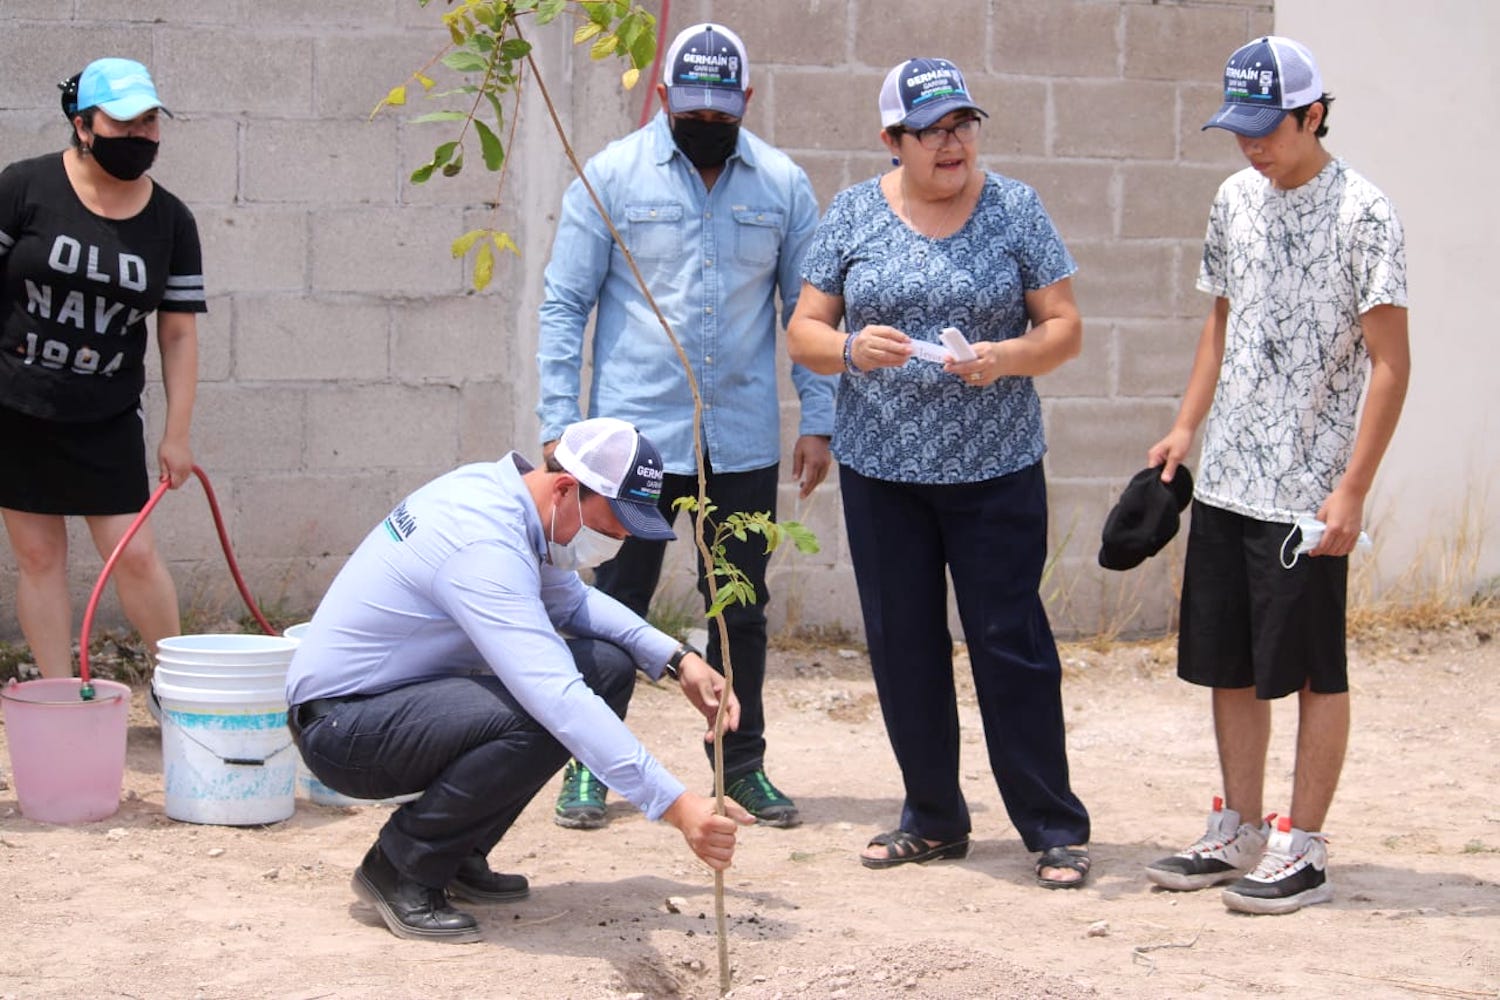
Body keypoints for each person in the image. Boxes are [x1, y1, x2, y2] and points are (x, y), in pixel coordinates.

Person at [786, 58, 1092, 888]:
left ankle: (1052, 827)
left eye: (962, 125)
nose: (952, 144)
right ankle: (932, 817)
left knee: (1010, 644)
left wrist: (1006, 358)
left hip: (996, 470)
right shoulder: (853, 213)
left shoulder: (1016, 208)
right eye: (931, 132)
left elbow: (1064, 328)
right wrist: (851, 348)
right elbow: (804, 330)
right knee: (903, 645)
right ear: (893, 140)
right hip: (883, 472)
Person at [284, 417, 754, 943]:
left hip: (389, 705)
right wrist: (677, 805)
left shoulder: (512, 502)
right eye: (611, 526)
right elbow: (556, 695)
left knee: (607, 669)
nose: (619, 540)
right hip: (345, 728)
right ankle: (401, 866)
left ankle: (456, 853)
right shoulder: (482, 543)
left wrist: (676, 657)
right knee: (543, 712)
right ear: (566, 488)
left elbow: (572, 602)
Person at [536, 22, 836, 831]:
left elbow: (806, 313)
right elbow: (565, 304)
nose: (706, 125)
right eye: (691, 111)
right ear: (663, 97)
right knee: (614, 602)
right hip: (628, 445)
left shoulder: (781, 185)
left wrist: (819, 418)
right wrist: (560, 424)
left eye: (721, 113)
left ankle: (742, 766)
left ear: (747, 101)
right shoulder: (610, 176)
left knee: (739, 606)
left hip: (739, 441)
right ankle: (591, 765)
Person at [1144, 36, 1409, 915]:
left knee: (1315, 671)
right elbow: (1220, 322)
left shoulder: (1365, 214)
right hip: (1228, 477)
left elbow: (1391, 363)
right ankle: (1241, 829)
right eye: (1240, 129)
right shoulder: (1233, 199)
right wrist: (1187, 426)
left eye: (1267, 129)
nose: (1252, 145)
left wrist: (1353, 488)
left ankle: (1307, 846)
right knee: (1230, 664)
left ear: (1314, 114)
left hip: (1308, 495)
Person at [0, 58, 203, 679]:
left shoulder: (172, 221)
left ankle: (181, 690)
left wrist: (176, 433)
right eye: (123, 123)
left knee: (133, 554)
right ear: (83, 125)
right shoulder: (24, 187)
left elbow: (177, 331)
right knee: (39, 559)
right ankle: (59, 695)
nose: (140, 135)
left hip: (106, 416)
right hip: (16, 407)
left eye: (149, 121)